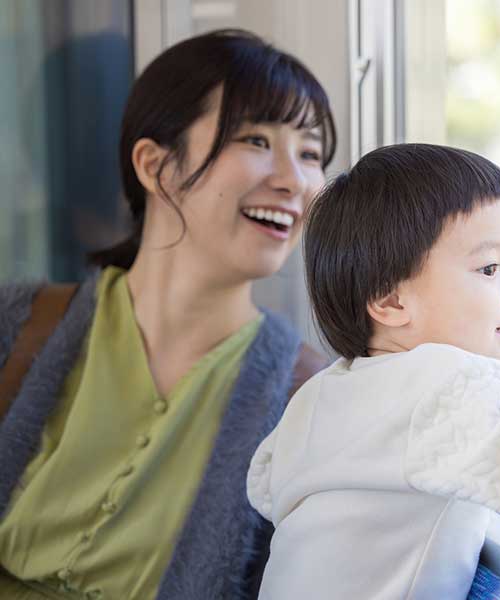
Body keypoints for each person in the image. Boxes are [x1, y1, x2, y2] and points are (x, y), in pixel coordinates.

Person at [0, 29, 335, 599]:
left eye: (309, 153)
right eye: (255, 140)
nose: (293, 181)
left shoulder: (309, 399)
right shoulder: (17, 327)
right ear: (155, 166)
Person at [247, 144, 500, 599]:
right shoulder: (441, 387)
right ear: (392, 300)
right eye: (489, 268)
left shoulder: (324, 392)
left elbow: (263, 485)